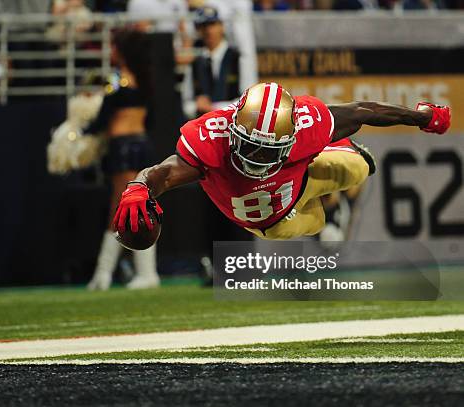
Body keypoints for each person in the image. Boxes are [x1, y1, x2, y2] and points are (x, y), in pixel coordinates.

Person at [112, 82, 450, 242]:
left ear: (291, 136)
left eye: (267, 150)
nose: (258, 159)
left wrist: (420, 117)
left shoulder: (307, 122)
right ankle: (329, 210)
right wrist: (140, 186)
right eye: (251, 147)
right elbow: (164, 173)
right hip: (269, 223)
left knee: (360, 168)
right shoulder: (210, 140)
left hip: (298, 179)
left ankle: (341, 156)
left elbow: (366, 111)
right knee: (313, 224)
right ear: (233, 131)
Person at [86, 31, 159, 291]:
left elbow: (104, 116)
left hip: (124, 148)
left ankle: (107, 274)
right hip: (142, 145)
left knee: (122, 209)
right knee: (136, 207)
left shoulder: (117, 79)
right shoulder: (144, 80)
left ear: (122, 51)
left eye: (114, 47)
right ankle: (141, 272)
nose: (111, 51)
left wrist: (82, 130)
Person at [191, 7, 241, 115]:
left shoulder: (237, 56)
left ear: (221, 26)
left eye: (212, 24)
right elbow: (187, 102)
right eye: (204, 26)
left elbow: (247, 98)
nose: (208, 30)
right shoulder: (196, 60)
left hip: (232, 121)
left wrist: (214, 107)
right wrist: (197, 103)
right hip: (204, 124)